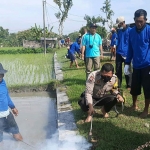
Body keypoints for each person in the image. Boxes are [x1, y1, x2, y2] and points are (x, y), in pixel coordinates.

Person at [124, 9, 150, 118]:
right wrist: (127, 63)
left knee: (147, 88)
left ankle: (146, 110)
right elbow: (130, 48)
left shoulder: (149, 30)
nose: (139, 23)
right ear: (134, 20)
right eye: (137, 21)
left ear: (145, 20)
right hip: (136, 65)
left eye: (141, 21)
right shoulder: (131, 31)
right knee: (134, 87)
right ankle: (134, 105)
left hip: (147, 65)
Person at [0, 63, 23, 142]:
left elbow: (6, 96)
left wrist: (13, 107)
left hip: (7, 114)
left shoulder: (3, 82)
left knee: (18, 136)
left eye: (1, 74)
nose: (0, 76)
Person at [115, 16, 132, 90]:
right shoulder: (119, 31)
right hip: (119, 53)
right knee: (118, 69)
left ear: (122, 23)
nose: (118, 26)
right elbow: (118, 41)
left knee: (127, 70)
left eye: (119, 24)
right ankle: (118, 84)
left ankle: (129, 85)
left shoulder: (130, 31)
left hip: (127, 53)